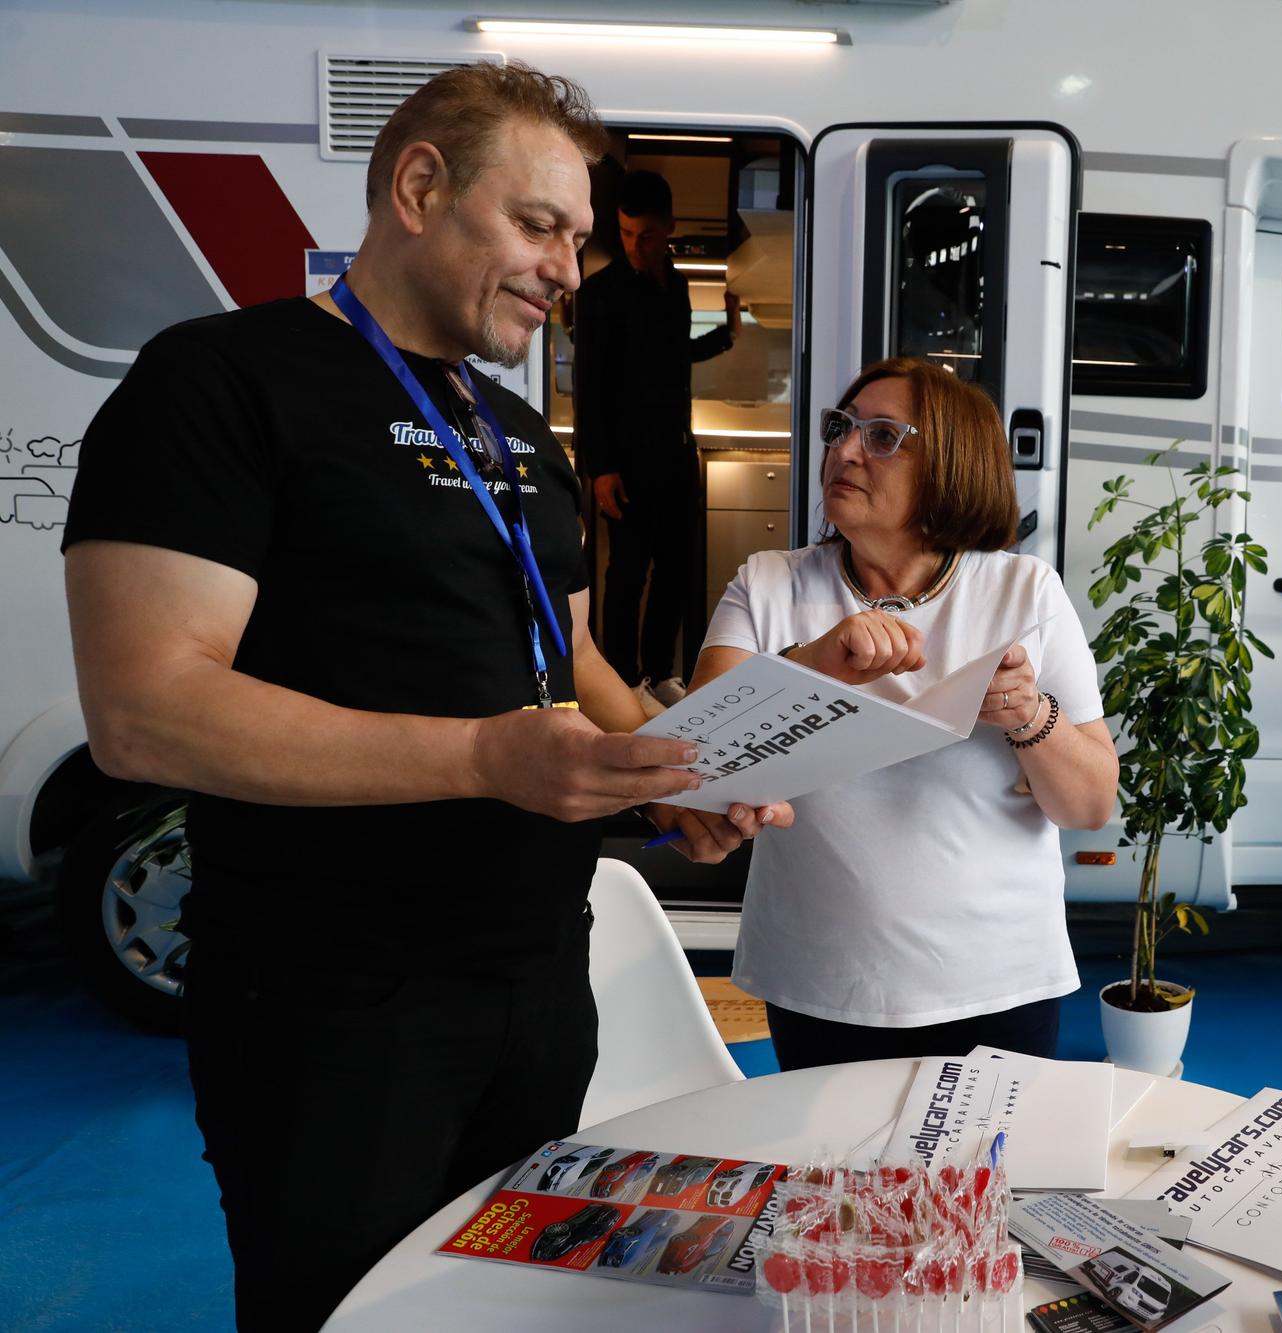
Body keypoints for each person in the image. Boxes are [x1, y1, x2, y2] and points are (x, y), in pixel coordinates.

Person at [60, 64, 785, 1330]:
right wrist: (482, 758)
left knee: (502, 1310)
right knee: (341, 1312)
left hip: (540, 979)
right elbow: (146, 710)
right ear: (417, 188)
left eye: (577, 235)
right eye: (539, 225)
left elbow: (575, 661)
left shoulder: (515, 432)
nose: (569, 267)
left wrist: (682, 777)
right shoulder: (222, 380)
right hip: (335, 1003)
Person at [677, 357, 1119, 1070]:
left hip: (999, 980)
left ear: (952, 464)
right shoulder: (768, 583)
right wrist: (819, 660)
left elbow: (1091, 802)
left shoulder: (1024, 590)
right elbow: (694, 757)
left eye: (883, 436)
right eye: (841, 428)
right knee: (837, 1184)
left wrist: (1029, 715)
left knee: (979, 1183)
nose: (845, 450)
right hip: (818, 979)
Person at [572, 169, 740, 688]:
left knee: (676, 572)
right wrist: (599, 469)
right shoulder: (600, 293)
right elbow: (589, 386)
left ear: (668, 227)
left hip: (676, 455)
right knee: (625, 575)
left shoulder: (679, 285)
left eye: (644, 234)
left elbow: (673, 359)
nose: (634, 245)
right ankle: (622, 682)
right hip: (626, 461)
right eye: (624, 233)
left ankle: (660, 675)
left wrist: (725, 336)